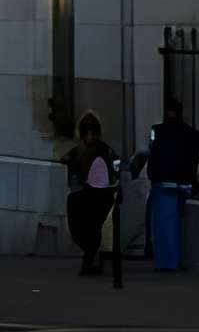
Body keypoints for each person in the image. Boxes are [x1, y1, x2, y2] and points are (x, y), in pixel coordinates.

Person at [139, 99, 199, 272]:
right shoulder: (192, 134)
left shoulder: (157, 131)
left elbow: (151, 154)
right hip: (182, 183)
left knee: (162, 225)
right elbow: (194, 160)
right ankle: (176, 259)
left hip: (162, 183)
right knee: (179, 225)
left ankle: (165, 261)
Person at [65, 111, 117, 275]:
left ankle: (90, 262)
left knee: (86, 230)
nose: (89, 136)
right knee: (91, 229)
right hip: (96, 196)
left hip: (86, 196)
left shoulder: (78, 151)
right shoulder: (105, 150)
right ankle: (91, 261)